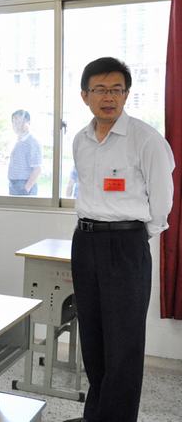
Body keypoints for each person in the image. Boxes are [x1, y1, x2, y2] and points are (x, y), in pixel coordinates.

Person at [65, 57, 174, 422]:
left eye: (116, 89)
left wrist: (133, 238)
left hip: (126, 245)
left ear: (127, 94)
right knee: (93, 337)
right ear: (85, 95)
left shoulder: (146, 139)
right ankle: (96, 415)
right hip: (85, 242)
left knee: (124, 343)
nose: (108, 97)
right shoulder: (80, 140)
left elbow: (162, 201)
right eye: (100, 89)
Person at [7, 109, 42, 195]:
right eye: (14, 122)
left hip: (24, 186)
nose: (16, 125)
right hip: (14, 185)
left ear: (28, 123)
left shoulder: (32, 142)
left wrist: (26, 189)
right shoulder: (17, 141)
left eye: (19, 122)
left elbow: (37, 168)